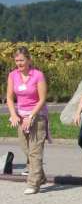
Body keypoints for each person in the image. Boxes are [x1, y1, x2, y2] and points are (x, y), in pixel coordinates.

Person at [6, 47, 49, 195]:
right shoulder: (13, 75)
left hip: (37, 116)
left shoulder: (38, 75)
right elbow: (10, 98)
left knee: (35, 151)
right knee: (27, 150)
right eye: (17, 60)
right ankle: (41, 176)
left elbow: (42, 99)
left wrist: (31, 116)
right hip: (21, 116)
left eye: (22, 60)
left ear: (29, 60)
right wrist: (13, 114)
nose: (19, 63)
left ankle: (33, 183)